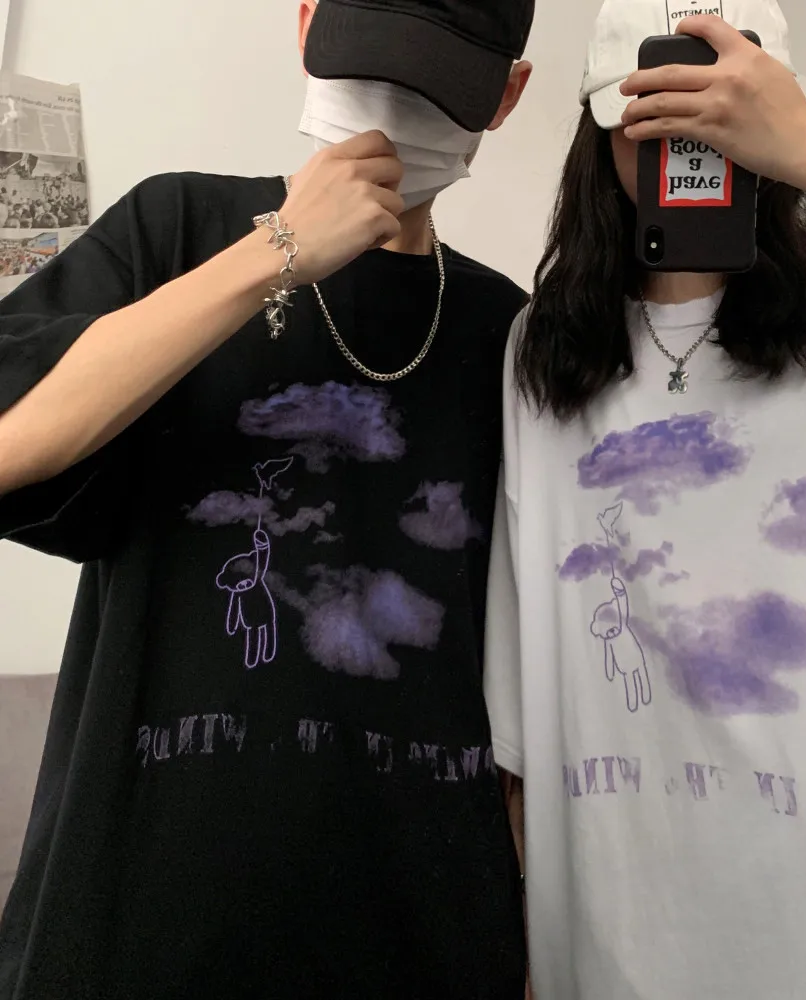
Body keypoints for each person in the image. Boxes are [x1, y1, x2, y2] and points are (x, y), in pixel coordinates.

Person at [0, 0, 535, 996]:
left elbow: (519, 676)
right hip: (136, 931)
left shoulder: (510, 332)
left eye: (430, 86)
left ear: (505, 97)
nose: (386, 115)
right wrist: (276, 250)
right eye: (365, 65)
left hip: (424, 935)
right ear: (305, 26)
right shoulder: (177, 230)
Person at [485, 0, 806, 997]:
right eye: (655, 113)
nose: (693, 141)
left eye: (725, 108)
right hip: (630, 940)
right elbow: (525, 735)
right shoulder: (542, 350)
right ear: (601, 128)